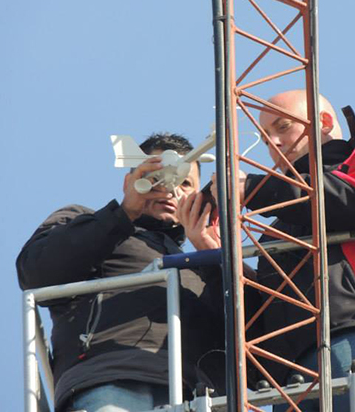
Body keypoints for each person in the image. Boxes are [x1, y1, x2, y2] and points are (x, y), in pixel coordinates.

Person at [180, 90, 355, 410]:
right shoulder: (279, 228)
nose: (274, 145)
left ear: (324, 122)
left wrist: (253, 188)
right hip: (289, 368)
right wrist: (214, 255)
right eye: (267, 139)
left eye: (283, 128)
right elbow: (264, 314)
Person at [16, 133, 224, 412]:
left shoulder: (207, 258)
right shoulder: (85, 222)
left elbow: (261, 330)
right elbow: (37, 273)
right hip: (113, 379)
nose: (168, 188)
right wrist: (124, 213)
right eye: (155, 177)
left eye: (184, 182)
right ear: (129, 182)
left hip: (205, 398)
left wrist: (213, 255)